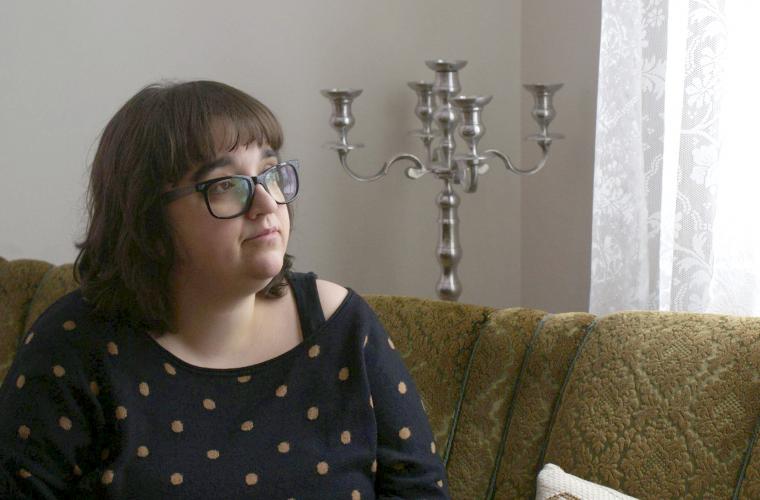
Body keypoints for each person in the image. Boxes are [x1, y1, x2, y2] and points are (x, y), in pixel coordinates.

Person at [0, 81, 451, 498]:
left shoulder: (341, 325)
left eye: (270, 173)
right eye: (226, 186)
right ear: (149, 220)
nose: (266, 203)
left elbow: (420, 490)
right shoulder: (74, 345)